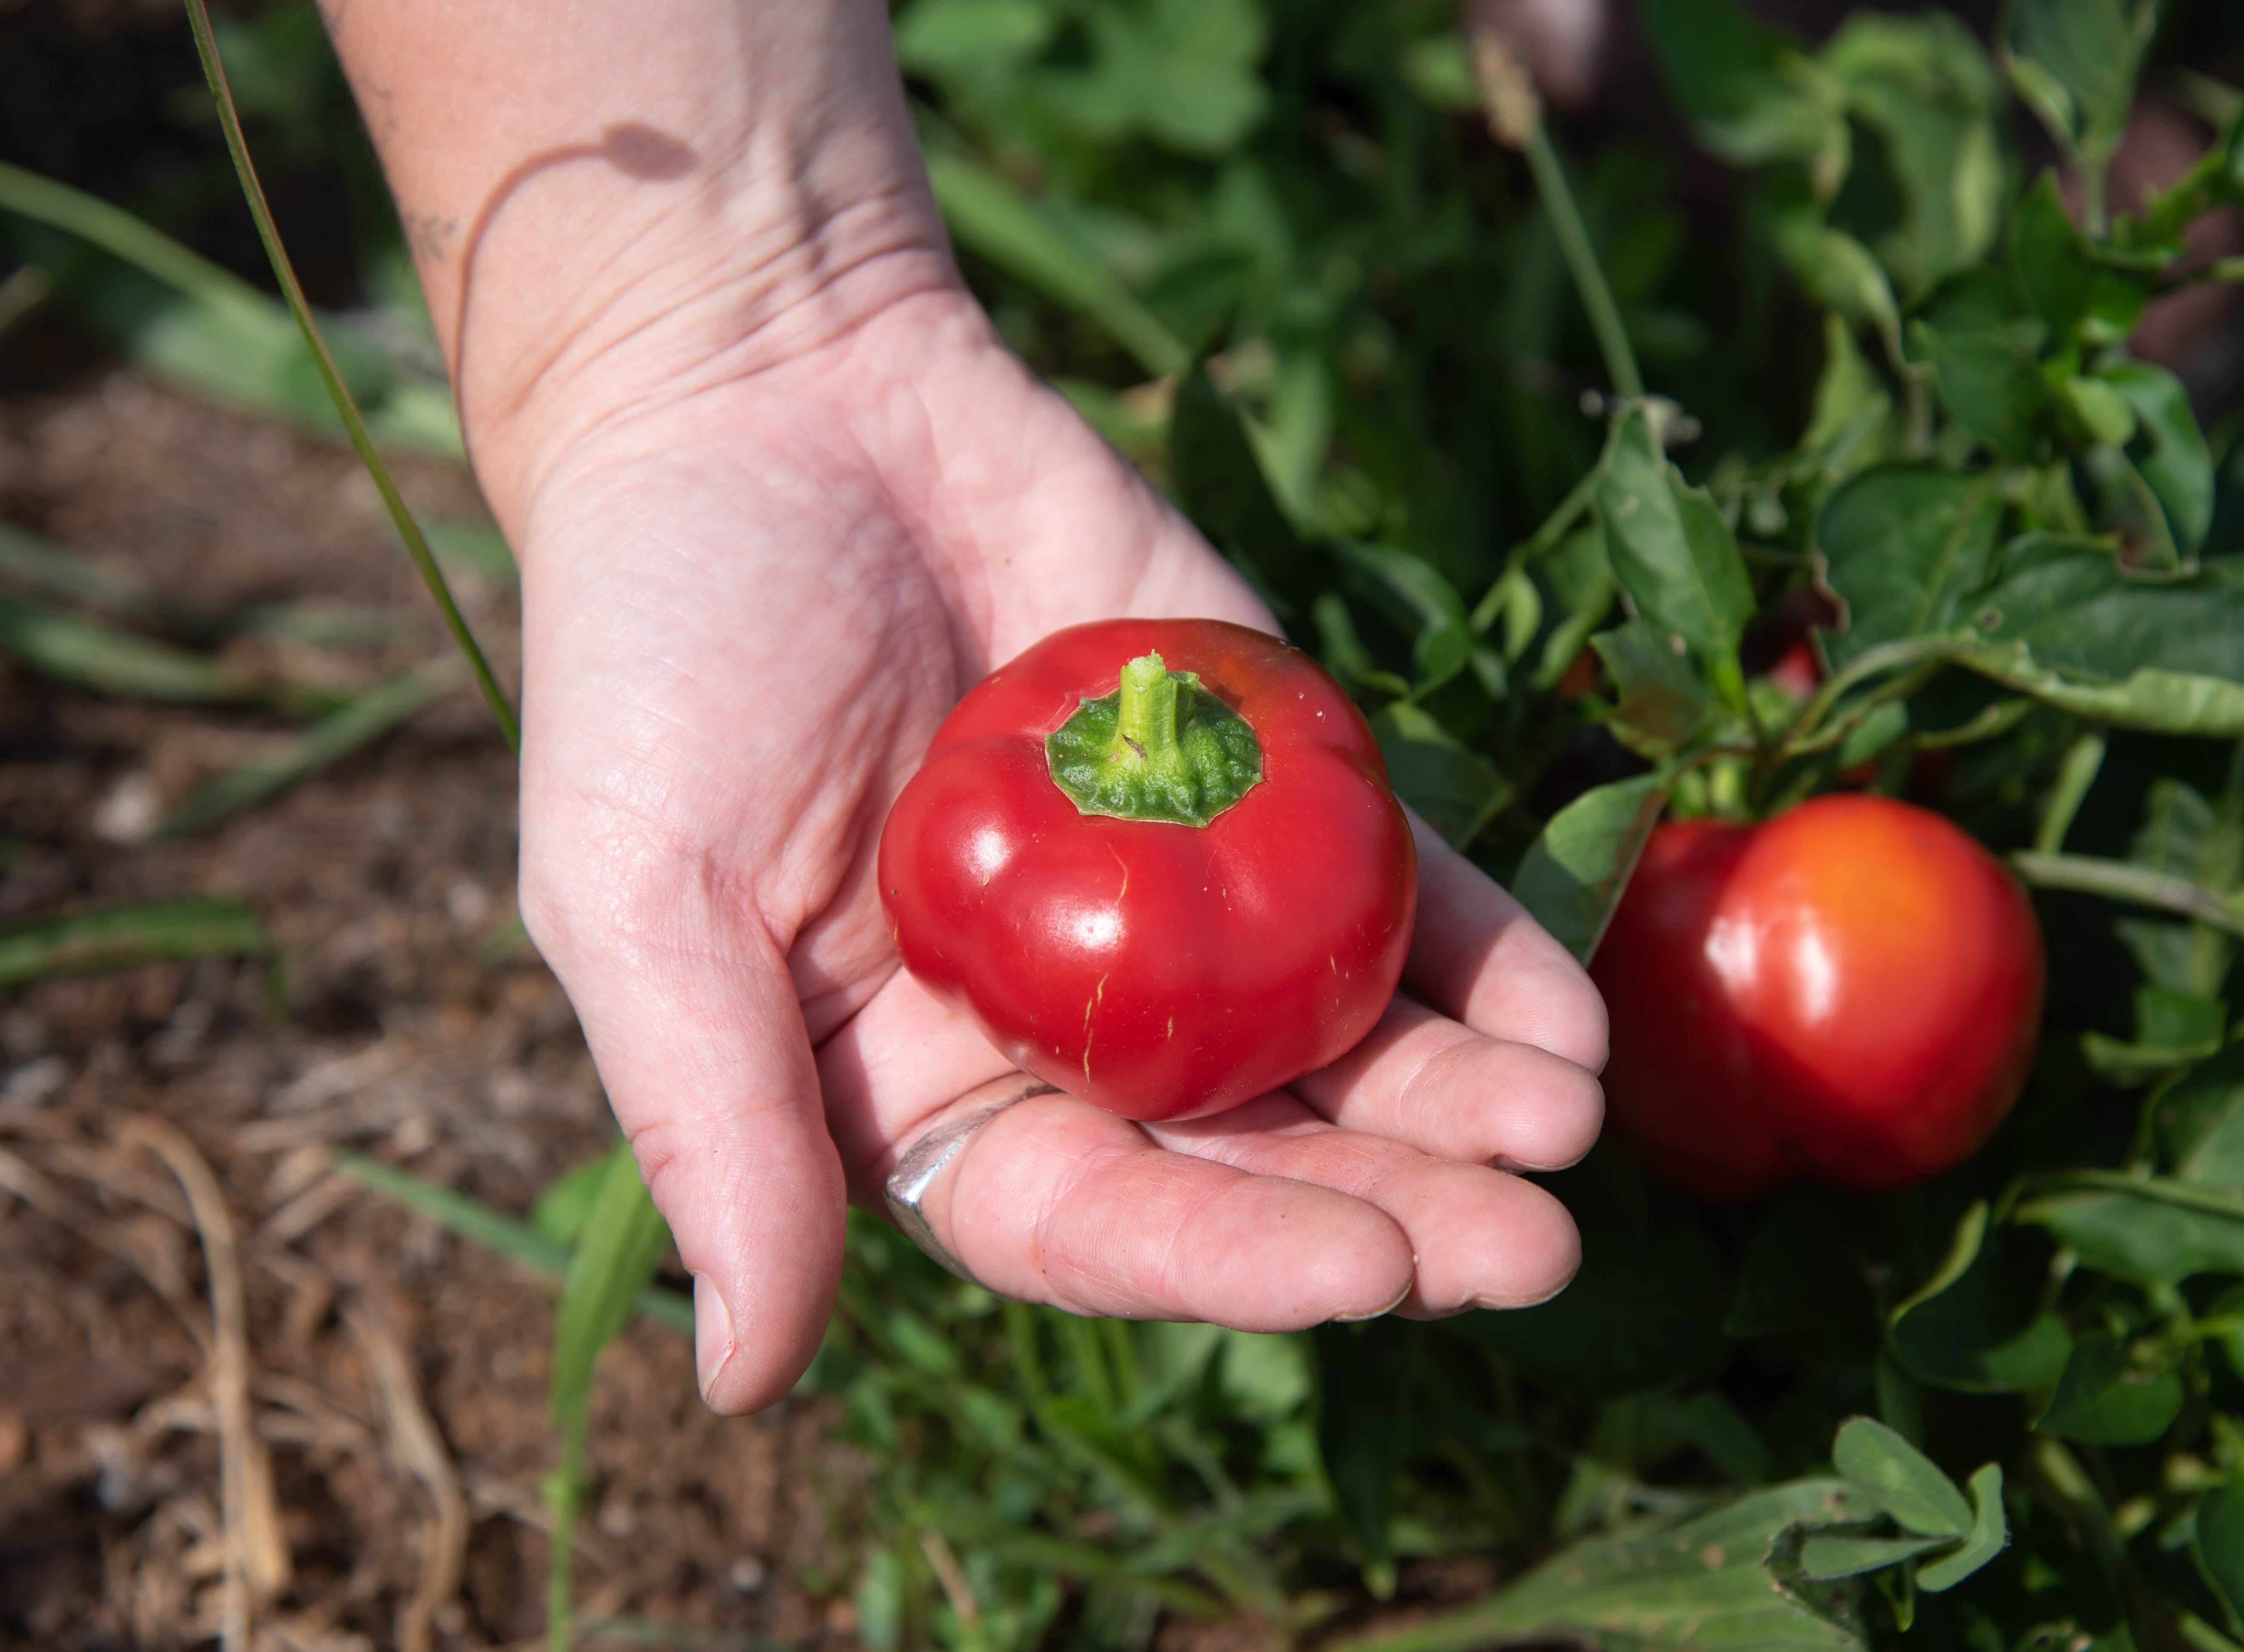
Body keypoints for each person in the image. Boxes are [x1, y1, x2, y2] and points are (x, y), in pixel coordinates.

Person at [321, 0, 1608, 1414]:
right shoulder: (1158, 772)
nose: (1150, 688)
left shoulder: (1191, 762)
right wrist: (677, 349)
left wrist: (714, 324)